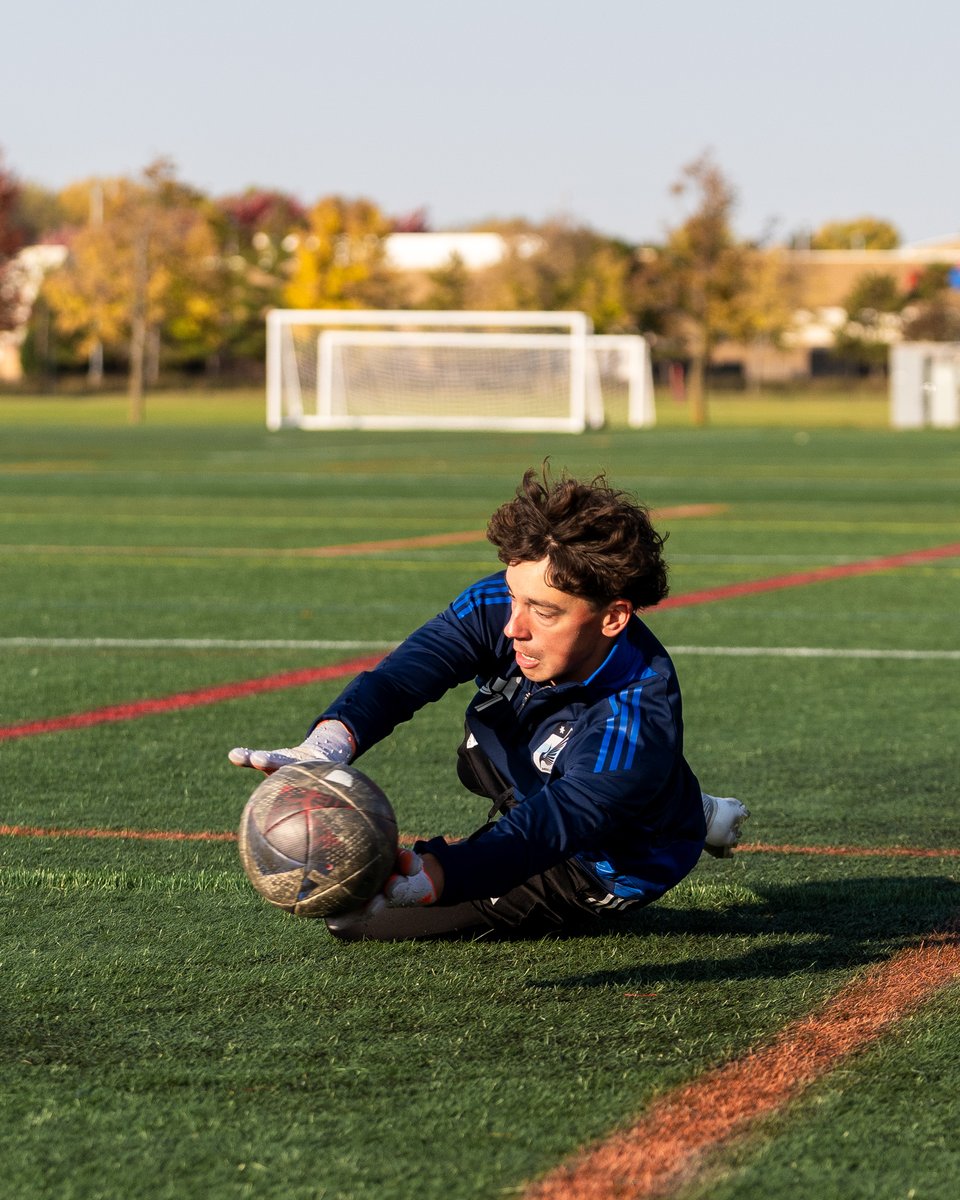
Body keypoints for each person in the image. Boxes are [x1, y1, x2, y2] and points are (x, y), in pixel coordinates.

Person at [229, 467, 748, 940]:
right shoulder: (506, 604)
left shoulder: (635, 720)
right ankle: (682, 802)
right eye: (513, 594)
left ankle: (676, 812)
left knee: (366, 922)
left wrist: (437, 876)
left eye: (542, 612)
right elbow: (404, 678)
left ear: (613, 617)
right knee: (478, 749)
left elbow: (544, 834)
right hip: (571, 775)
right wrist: (325, 745)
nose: (512, 625)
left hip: (594, 862)